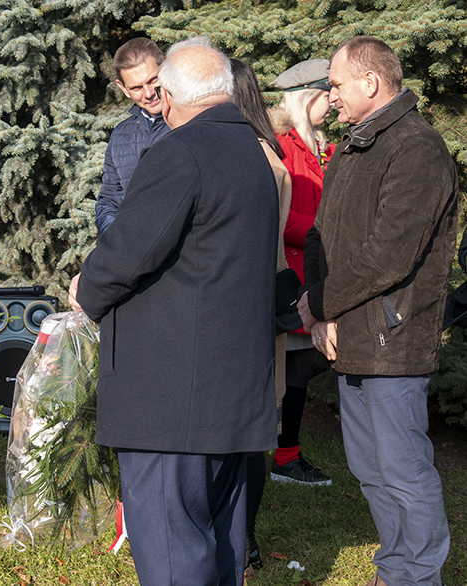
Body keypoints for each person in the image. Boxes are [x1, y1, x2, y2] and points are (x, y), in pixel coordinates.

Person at [70, 42, 279, 586]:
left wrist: (85, 290)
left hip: (172, 397)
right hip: (229, 390)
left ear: (168, 97)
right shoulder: (253, 150)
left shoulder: (181, 150)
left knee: (171, 547)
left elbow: (132, 248)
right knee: (223, 543)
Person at [299, 35, 456, 586]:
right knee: (371, 470)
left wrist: (319, 302)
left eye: (337, 83)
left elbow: (390, 255)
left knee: (404, 472)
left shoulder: (417, 147)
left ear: (370, 81)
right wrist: (319, 315)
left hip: (394, 340)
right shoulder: (353, 144)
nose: (330, 94)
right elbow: (321, 236)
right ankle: (397, 571)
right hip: (350, 335)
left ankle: (417, 576)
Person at [229, 57, 291, 570]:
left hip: (239, 311)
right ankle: (243, 539)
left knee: (242, 438)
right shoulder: (269, 154)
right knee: (251, 433)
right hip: (262, 307)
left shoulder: (250, 159)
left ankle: (241, 538)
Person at [267, 59, 336, 486]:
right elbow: (281, 215)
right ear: (305, 95)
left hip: (320, 271)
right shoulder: (282, 144)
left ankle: (282, 450)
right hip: (294, 273)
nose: (333, 100)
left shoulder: (322, 146)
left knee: (307, 365)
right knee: (296, 369)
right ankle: (285, 457)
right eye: (326, 92)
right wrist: (329, 233)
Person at [94, 37, 170, 235]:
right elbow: (109, 199)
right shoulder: (120, 135)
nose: (148, 93)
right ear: (123, 88)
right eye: (136, 87)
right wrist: (117, 241)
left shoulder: (191, 122)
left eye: (153, 80)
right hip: (135, 254)